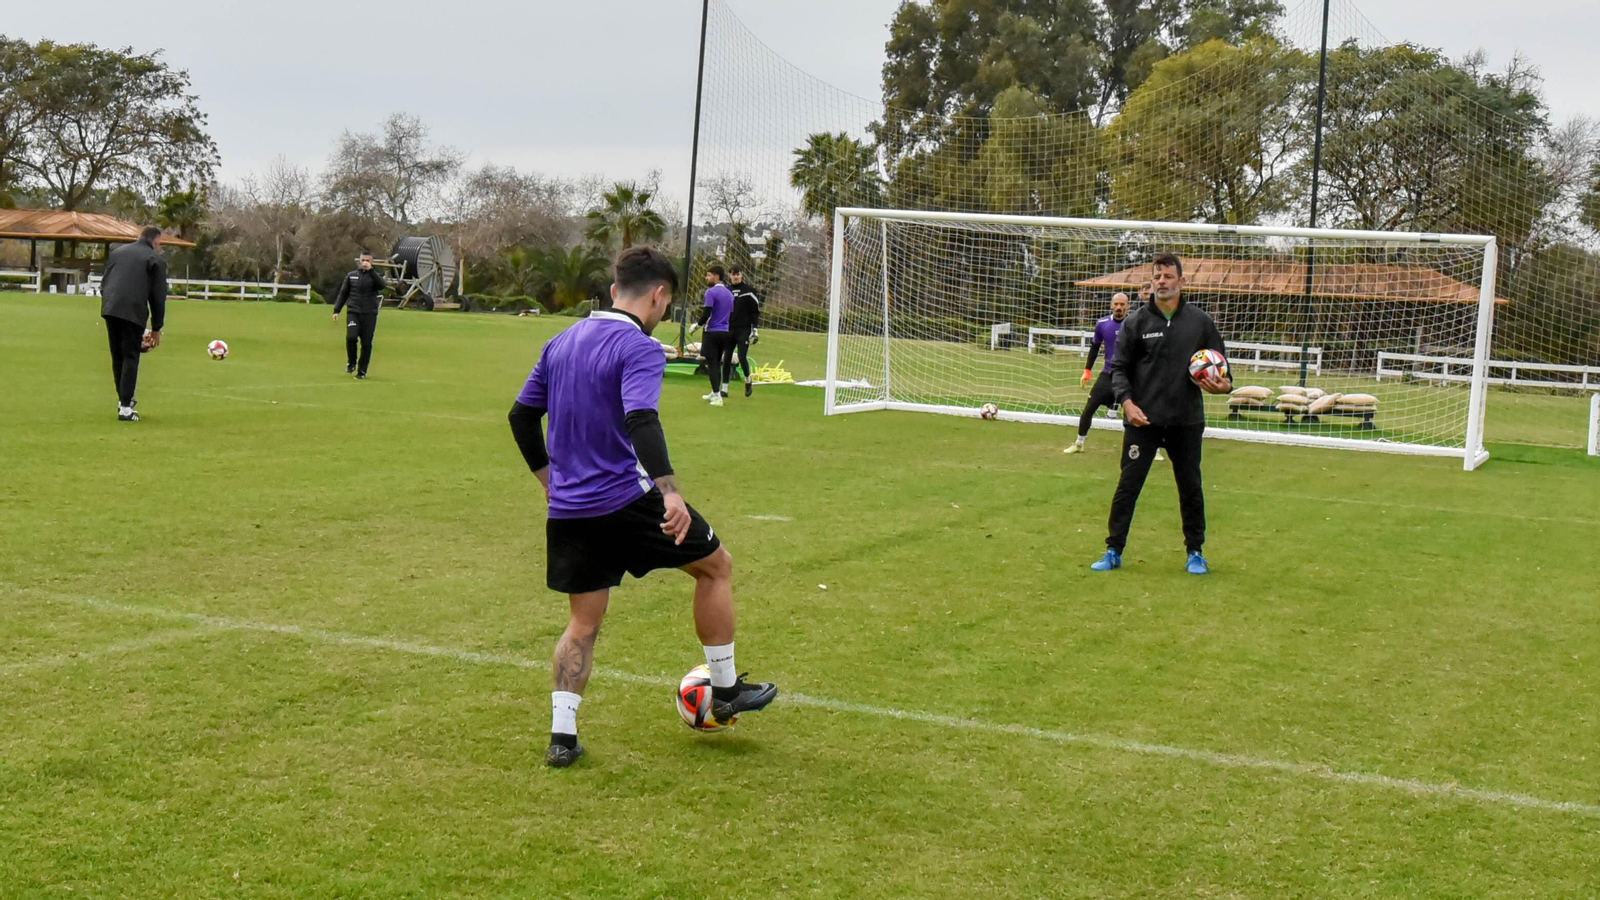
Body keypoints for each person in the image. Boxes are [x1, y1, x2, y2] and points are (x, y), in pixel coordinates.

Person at [508, 245, 778, 768]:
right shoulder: (640, 348)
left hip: (569, 509)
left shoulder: (559, 342)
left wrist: (549, 480)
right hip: (629, 500)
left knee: (583, 623)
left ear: (614, 291)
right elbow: (641, 419)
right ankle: (723, 691)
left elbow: (521, 418)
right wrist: (670, 491)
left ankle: (562, 739)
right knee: (716, 567)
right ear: (658, 297)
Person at [1090, 253, 1231, 576]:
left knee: (1190, 486)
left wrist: (1223, 387)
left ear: (1182, 281)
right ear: (1151, 282)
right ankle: (1113, 549)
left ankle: (1195, 552)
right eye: (1157, 276)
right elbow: (1119, 370)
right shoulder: (1137, 322)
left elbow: (1224, 373)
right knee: (1128, 485)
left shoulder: (1200, 323)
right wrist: (1126, 403)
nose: (1162, 282)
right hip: (1143, 420)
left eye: (1168, 276)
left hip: (1186, 420)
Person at [99, 226, 168, 422]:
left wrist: (108, 305)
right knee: (130, 356)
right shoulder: (155, 259)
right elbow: (158, 297)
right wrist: (156, 328)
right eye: (160, 243)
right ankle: (125, 408)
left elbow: (104, 283)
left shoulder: (118, 252)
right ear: (155, 241)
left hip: (110, 308)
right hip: (132, 311)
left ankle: (124, 399)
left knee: (118, 356)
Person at [1064, 292, 1130, 455]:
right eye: (1116, 304)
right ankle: (1079, 443)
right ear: (1111, 305)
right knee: (1089, 408)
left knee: (1135, 413)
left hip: (1128, 377)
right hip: (1107, 375)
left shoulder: (1134, 324)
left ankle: (1151, 448)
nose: (1119, 307)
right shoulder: (1102, 324)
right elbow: (1094, 347)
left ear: (1127, 306)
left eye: (1122, 304)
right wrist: (1087, 370)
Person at [331, 252, 386, 379]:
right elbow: (343, 293)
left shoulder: (375, 276)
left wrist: (371, 271)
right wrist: (336, 310)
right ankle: (351, 362)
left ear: (371, 262)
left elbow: (382, 286)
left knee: (366, 343)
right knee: (351, 337)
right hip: (354, 312)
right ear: (360, 261)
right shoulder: (351, 276)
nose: (365, 262)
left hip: (369, 314)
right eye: (363, 260)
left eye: (368, 260)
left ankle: (362, 371)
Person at [689, 264, 735, 406]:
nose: (706, 278)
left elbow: (707, 313)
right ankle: (716, 392)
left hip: (712, 332)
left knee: (712, 364)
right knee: (717, 363)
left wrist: (696, 326)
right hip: (725, 332)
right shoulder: (729, 293)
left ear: (716, 276)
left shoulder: (711, 292)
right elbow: (730, 313)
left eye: (709, 275)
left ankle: (717, 396)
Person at [727, 265, 762, 398]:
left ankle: (748, 380)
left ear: (742, 275)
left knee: (742, 356)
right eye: (733, 274)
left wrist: (755, 330)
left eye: (738, 274)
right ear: (729, 275)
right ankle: (724, 388)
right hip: (729, 328)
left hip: (744, 329)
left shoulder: (749, 291)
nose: (735, 276)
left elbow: (755, 312)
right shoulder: (727, 291)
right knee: (727, 356)